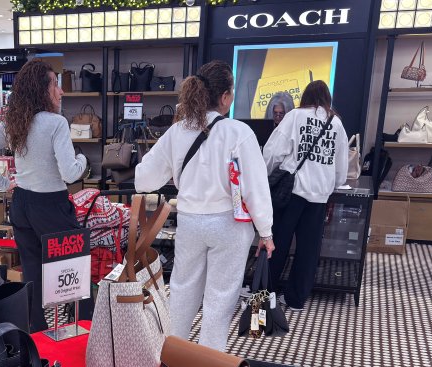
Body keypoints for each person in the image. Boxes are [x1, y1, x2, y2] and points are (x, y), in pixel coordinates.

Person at [135, 60, 274, 351]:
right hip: (229, 225)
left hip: (189, 221)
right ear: (224, 97)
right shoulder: (239, 133)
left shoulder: (178, 131)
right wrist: (266, 231)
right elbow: (255, 188)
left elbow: (143, 178)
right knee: (220, 299)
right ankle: (208, 365)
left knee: (182, 290)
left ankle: (173, 357)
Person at [0, 59, 87, 333]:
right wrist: (83, 160)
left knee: (33, 271)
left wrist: (3, 183)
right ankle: (79, 328)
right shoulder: (56, 123)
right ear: (42, 89)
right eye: (55, 84)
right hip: (52, 206)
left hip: (22, 204)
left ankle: (37, 332)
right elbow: (70, 174)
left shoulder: (14, 123)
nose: (61, 91)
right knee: (73, 269)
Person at [263, 80, 349, 311]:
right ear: (327, 99)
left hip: (292, 192)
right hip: (319, 196)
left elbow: (272, 152)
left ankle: (266, 293)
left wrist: (267, 175)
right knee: (308, 250)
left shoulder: (295, 116)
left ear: (305, 97)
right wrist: (331, 184)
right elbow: (341, 167)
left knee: (277, 243)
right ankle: (296, 299)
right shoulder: (336, 123)